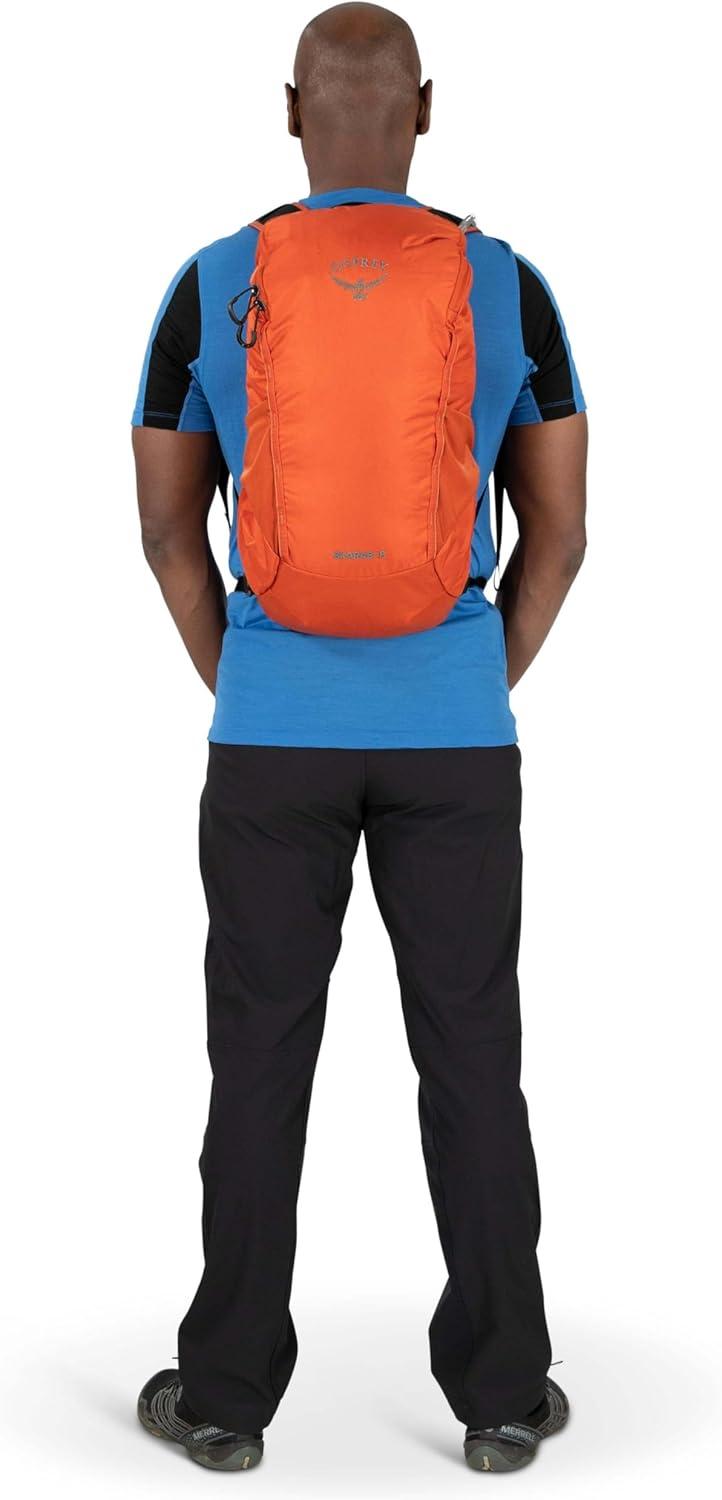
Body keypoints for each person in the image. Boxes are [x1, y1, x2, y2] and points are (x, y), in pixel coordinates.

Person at [131, 1, 588, 1476]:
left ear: (290, 112)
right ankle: (503, 1396)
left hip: (270, 735)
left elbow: (166, 529)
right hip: (455, 733)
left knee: (259, 1055)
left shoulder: (210, 285)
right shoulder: (507, 285)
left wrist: (250, 686)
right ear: (425, 109)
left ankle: (224, 1399)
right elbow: (562, 532)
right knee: (473, 1053)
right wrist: (471, 681)